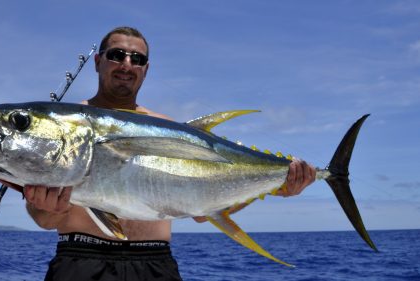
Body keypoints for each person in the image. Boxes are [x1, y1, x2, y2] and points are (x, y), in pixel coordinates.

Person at [24, 26, 316, 281]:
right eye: (117, 55)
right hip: (81, 260)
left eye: (136, 59)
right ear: (98, 62)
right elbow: (45, 221)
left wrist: (281, 186)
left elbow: (204, 212)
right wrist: (47, 209)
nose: (126, 64)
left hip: (155, 264)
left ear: (145, 69)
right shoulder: (63, 125)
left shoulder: (169, 127)